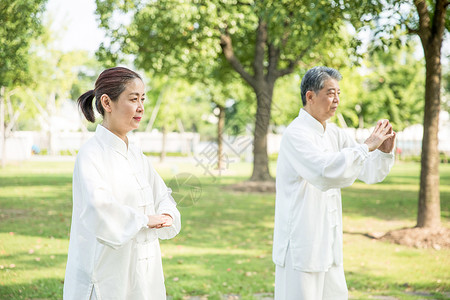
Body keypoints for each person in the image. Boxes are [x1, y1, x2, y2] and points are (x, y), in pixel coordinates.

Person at [273, 66, 396, 300]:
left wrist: (383, 153)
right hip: (301, 245)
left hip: (328, 246)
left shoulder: (335, 134)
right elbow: (325, 172)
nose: (337, 99)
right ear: (310, 96)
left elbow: (367, 170)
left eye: (339, 93)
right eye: (331, 93)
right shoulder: (296, 134)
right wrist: (367, 145)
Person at [63, 67, 181, 300]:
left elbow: (162, 196)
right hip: (106, 274)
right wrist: (145, 220)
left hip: (144, 271)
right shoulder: (91, 154)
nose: (141, 107)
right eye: (133, 99)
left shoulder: (136, 155)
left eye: (143, 99)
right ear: (107, 102)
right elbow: (99, 208)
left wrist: (167, 214)